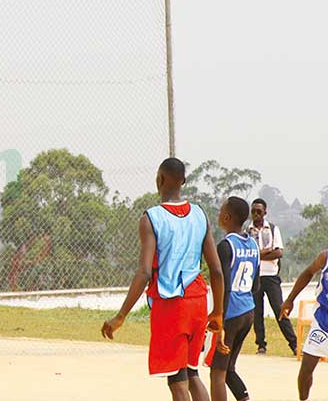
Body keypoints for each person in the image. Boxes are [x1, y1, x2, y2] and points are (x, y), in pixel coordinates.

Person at [102, 158, 226, 401]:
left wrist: (121, 315)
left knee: (176, 379)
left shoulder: (151, 218)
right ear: (184, 181)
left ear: (160, 179)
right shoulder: (200, 214)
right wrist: (218, 311)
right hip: (199, 300)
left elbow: (145, 273)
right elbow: (217, 270)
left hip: (171, 304)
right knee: (192, 373)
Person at [203, 196, 259, 401]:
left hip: (230, 314)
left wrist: (220, 322)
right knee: (229, 369)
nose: (219, 214)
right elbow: (256, 285)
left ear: (227, 217)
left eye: (221, 211)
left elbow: (224, 288)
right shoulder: (253, 244)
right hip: (248, 311)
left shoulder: (225, 246)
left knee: (217, 372)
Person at [249, 197, 297, 355]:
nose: (256, 214)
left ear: (265, 213)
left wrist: (258, 253)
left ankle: (294, 344)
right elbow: (249, 254)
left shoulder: (273, 229)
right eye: (253, 211)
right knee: (257, 313)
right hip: (255, 276)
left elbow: (279, 252)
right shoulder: (247, 231)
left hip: (270, 275)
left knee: (279, 309)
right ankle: (261, 345)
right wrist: (265, 251)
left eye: (259, 211)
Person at [281, 244, 328, 401]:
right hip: (323, 321)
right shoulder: (324, 257)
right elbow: (308, 273)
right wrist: (290, 299)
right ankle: (303, 398)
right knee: (306, 368)